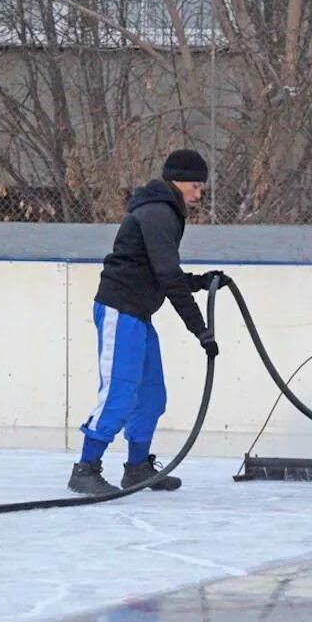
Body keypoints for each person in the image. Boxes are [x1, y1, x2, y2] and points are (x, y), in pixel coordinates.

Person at [69, 149, 225, 496]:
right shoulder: (158, 213)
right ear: (175, 180)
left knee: (152, 396)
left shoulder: (165, 210)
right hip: (120, 309)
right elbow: (167, 276)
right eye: (195, 185)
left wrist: (201, 281)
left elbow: (160, 270)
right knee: (119, 393)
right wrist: (201, 330)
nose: (199, 194)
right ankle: (85, 468)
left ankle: (137, 468)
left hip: (138, 313)